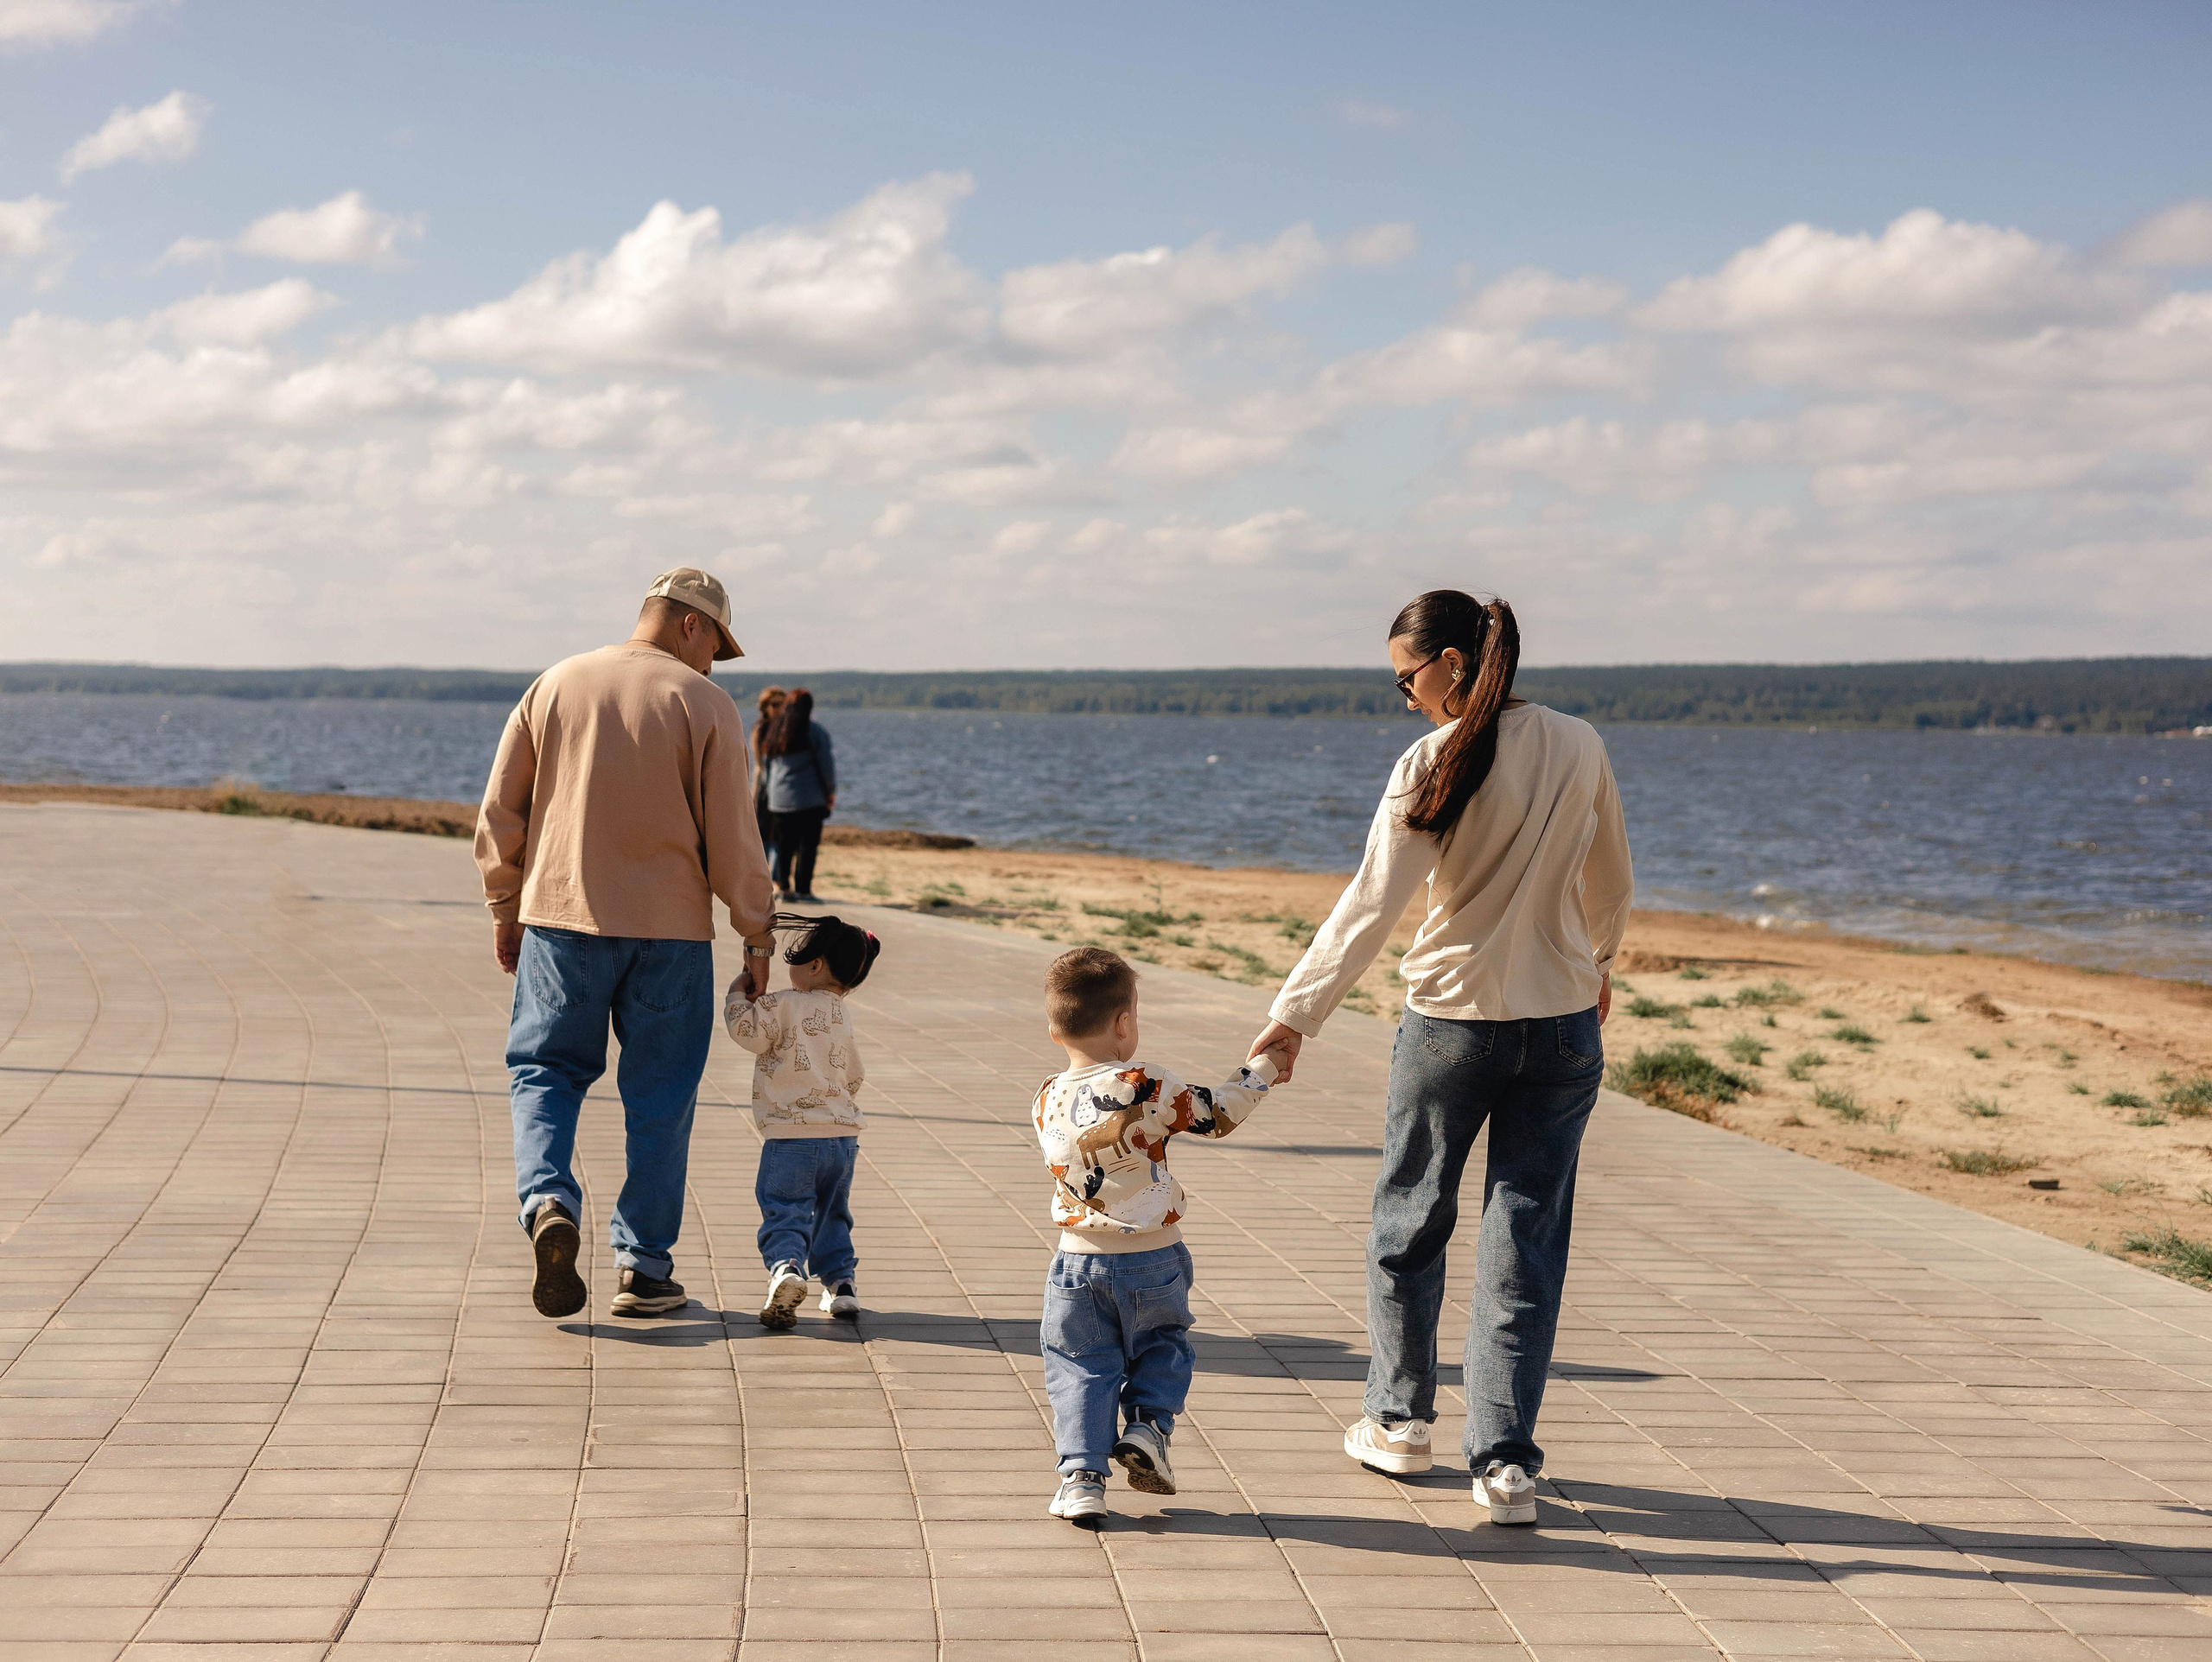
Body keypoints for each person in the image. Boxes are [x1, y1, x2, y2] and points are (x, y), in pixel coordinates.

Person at [1245, 589, 1632, 1526]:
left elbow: (1371, 904)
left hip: (1452, 1024)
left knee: (1409, 1219)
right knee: (1524, 1239)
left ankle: (1397, 1418)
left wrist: (1294, 1016)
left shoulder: (1433, 760)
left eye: (1405, 677)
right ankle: (1504, 1466)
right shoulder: (1578, 742)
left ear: (1451, 662)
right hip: (1561, 1024)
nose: (1404, 697)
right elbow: (1609, 871)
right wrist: (1601, 963)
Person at [476, 567, 778, 1321]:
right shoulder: (704, 703)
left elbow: (501, 809)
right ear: (689, 625)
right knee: (661, 1098)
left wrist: (504, 904)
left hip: (562, 919)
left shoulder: (556, 683)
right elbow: (734, 838)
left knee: (544, 1072)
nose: (715, 662)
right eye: (717, 644)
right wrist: (756, 933)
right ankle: (643, 1270)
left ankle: (548, 1200)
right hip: (670, 936)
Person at [1033, 947, 1287, 1527]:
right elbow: (1217, 1115)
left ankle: (1081, 1480)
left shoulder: (1046, 1096)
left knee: (1080, 1366)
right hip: (1153, 1259)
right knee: (1165, 1343)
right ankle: (1148, 1428)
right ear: (1124, 1024)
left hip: (1075, 1265)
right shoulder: (1143, 1082)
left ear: (1054, 1030)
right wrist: (1265, 1067)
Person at [724, 912, 881, 1328]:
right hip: (843, 1139)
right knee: (833, 1213)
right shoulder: (841, 1013)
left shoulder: (783, 1003)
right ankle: (841, 1286)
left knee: (786, 1209)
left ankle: (786, 1270)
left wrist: (737, 994)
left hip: (790, 1138)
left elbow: (748, 1033)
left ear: (814, 965)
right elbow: (854, 1074)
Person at [761, 688, 836, 904]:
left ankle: (784, 888)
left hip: (780, 799)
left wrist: (770, 792)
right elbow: (826, 765)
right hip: (810, 799)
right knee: (808, 846)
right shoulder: (815, 732)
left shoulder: (775, 732)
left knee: (785, 845)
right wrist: (830, 792)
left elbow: (767, 768)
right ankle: (804, 890)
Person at [752, 685, 786, 872]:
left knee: (781, 835)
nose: (780, 708)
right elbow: (759, 766)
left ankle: (777, 877)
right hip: (766, 788)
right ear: (765, 707)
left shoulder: (788, 729)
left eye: (783, 704)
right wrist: (753, 795)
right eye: (775, 704)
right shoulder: (761, 729)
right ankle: (761, 877)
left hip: (783, 788)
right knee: (763, 834)